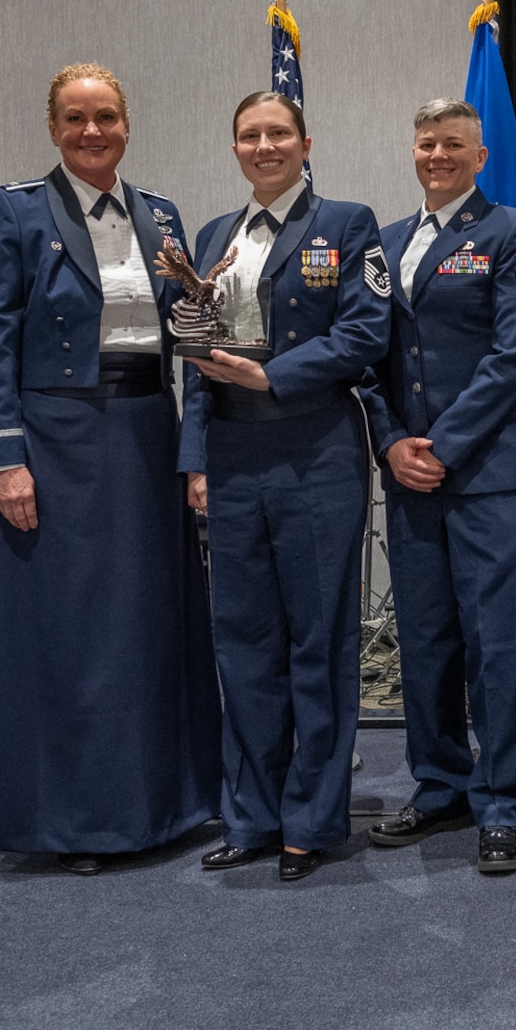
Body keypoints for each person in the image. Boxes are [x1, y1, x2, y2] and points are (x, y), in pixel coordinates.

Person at [0, 62, 220, 875]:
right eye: (75, 117)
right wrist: (4, 460)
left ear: (127, 122)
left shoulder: (162, 214)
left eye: (105, 115)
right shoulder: (14, 211)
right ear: (53, 127)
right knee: (70, 637)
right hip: (57, 442)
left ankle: (164, 802)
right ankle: (74, 819)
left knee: (146, 628)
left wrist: (199, 445)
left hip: (145, 437)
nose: (92, 130)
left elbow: (189, 334)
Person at [171, 91, 390, 883]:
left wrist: (271, 374)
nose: (264, 146)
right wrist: (196, 457)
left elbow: (366, 332)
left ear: (305, 142)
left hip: (316, 450)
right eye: (249, 135)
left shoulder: (349, 223)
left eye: (278, 133)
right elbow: (194, 357)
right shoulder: (210, 236)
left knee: (316, 641)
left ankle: (311, 820)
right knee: (244, 643)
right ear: (235, 148)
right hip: (230, 457)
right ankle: (253, 814)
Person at [361, 98, 516, 875]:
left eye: (454, 145)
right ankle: (440, 781)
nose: (438, 155)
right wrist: (390, 439)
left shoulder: (512, 231)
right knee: (427, 638)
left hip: (492, 472)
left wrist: (440, 444)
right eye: (427, 143)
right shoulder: (387, 241)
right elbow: (365, 353)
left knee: (496, 643)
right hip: (412, 476)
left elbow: (515, 353)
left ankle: (500, 796)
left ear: (480, 156)